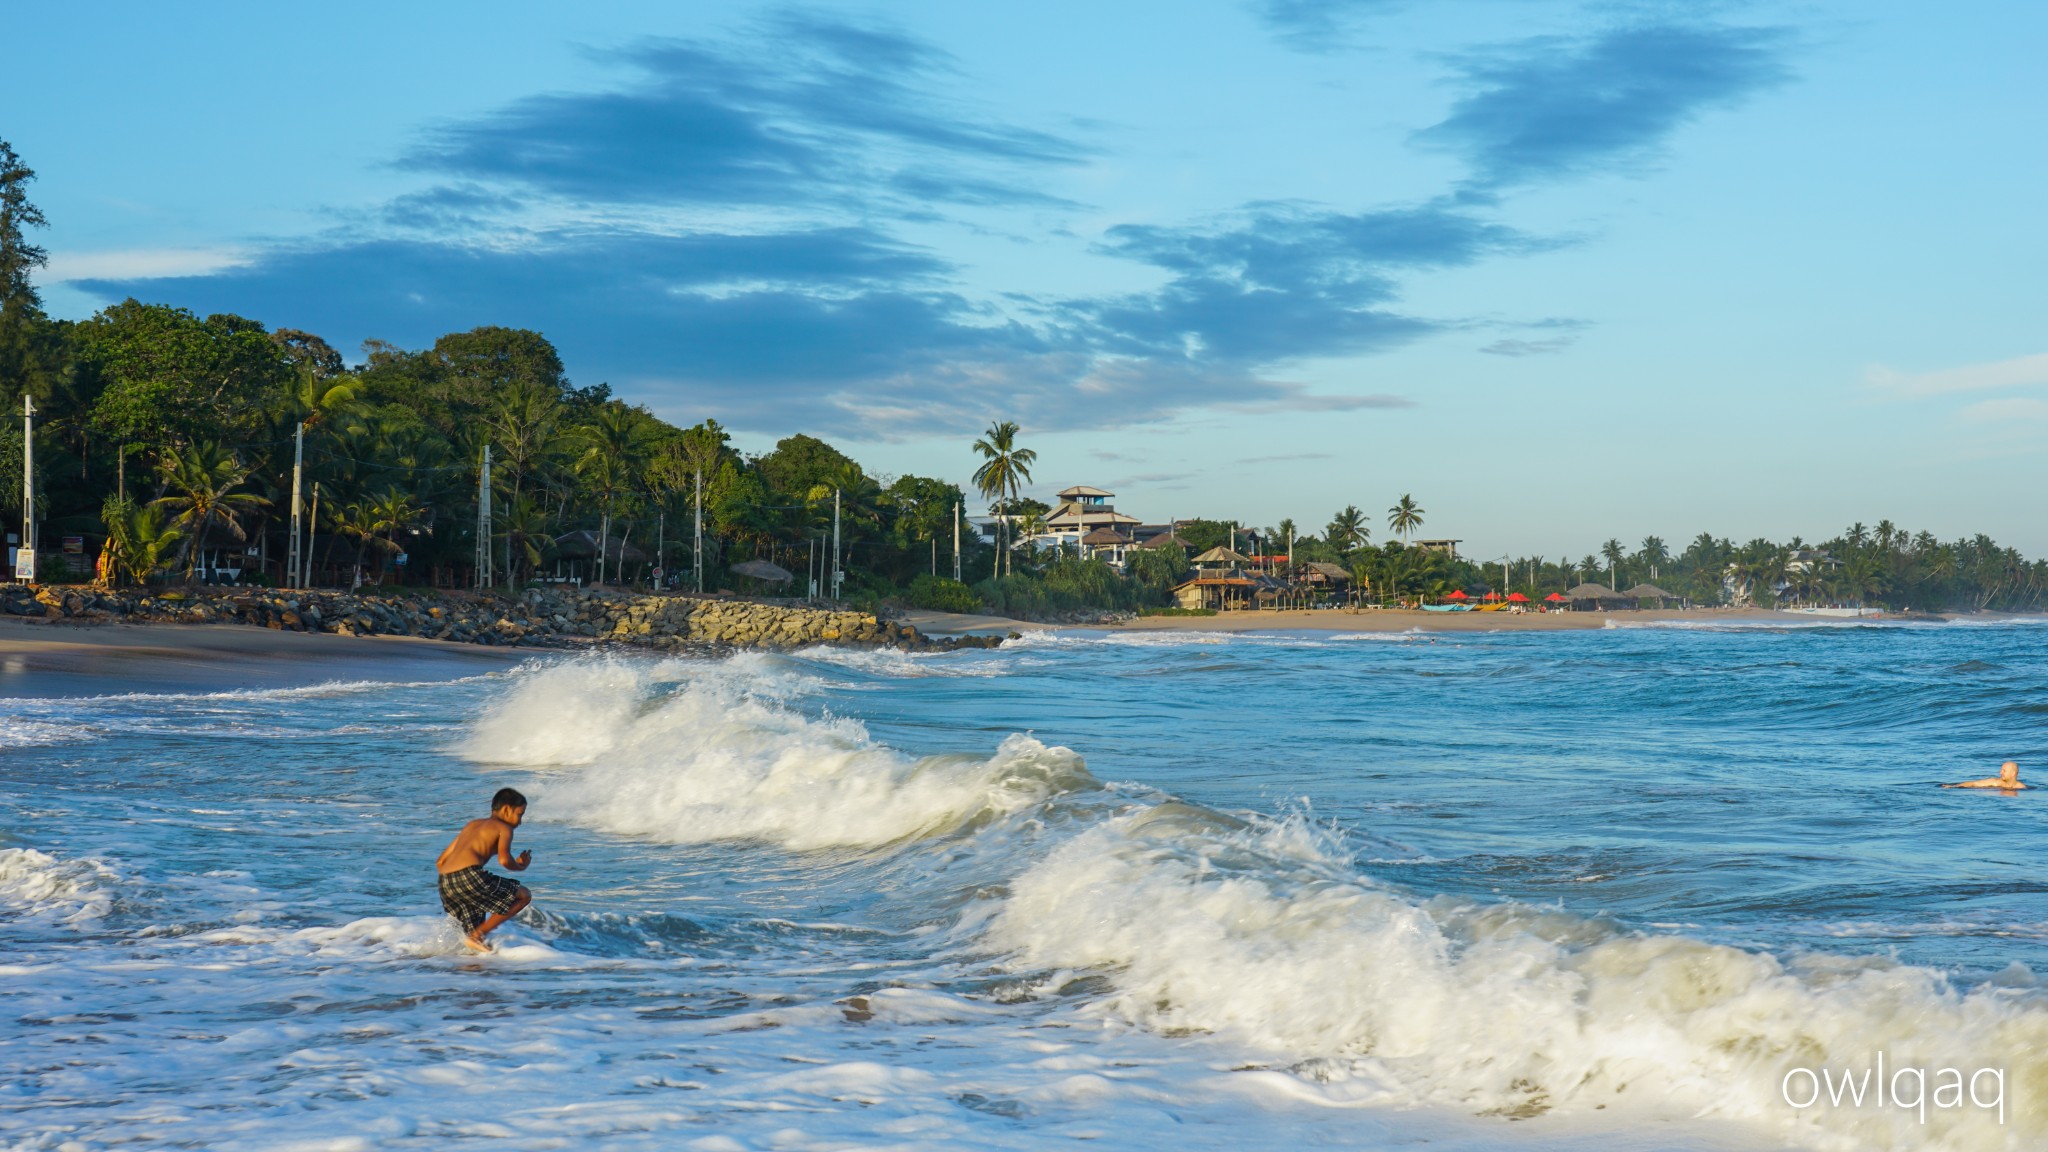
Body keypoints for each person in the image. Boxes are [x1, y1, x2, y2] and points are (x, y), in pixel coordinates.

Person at [435, 787, 533, 953]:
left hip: (445, 881)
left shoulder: (472, 825)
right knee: (524, 896)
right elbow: (504, 860)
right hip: (469, 875)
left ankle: (470, 966)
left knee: (471, 941)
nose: (520, 822)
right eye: (520, 814)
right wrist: (521, 865)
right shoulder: (504, 828)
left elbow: (440, 861)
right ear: (507, 810)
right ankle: (478, 935)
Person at [1943, 761, 2027, 790]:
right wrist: (1954, 786)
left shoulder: (2022, 788)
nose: (2000, 773)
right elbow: (1974, 784)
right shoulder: (1995, 782)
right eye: (2001, 770)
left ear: (2013, 773)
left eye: (2004, 771)